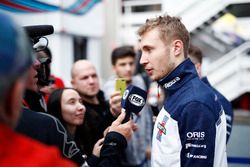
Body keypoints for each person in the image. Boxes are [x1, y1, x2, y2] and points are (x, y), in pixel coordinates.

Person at [138, 15, 227, 167]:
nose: (142, 60)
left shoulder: (194, 102)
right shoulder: (179, 91)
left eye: (149, 50)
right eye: (142, 51)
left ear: (176, 48)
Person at [0, 12, 76, 166]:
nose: (37, 63)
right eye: (26, 57)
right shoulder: (45, 157)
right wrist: (113, 141)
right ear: (14, 89)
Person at [103, 45, 153, 166]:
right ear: (114, 67)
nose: (128, 68)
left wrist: (149, 144)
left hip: (144, 153)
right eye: (123, 64)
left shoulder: (139, 81)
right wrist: (116, 108)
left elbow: (146, 116)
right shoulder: (111, 89)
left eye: (131, 63)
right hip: (124, 157)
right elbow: (114, 110)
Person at [188, 44, 234, 143]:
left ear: (197, 68)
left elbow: (218, 143)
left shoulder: (220, 101)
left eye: (184, 67)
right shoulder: (182, 96)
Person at [71, 60, 117, 156]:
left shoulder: (106, 101)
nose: (91, 81)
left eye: (94, 76)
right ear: (73, 83)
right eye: (85, 78)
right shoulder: (77, 112)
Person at [47, 88, 104, 165]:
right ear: (57, 108)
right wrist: (94, 157)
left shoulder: (85, 135)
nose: (81, 107)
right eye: (72, 102)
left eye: (81, 102)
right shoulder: (54, 147)